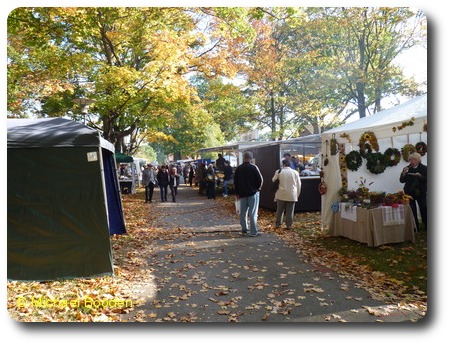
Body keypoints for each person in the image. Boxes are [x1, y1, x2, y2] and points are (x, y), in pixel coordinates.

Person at [234, 151, 263, 237]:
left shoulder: (238, 168)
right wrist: (258, 189)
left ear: (243, 158)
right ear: (251, 158)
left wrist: (237, 193)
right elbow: (260, 180)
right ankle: (253, 232)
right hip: (253, 193)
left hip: (242, 194)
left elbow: (236, 182)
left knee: (243, 213)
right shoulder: (254, 167)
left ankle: (244, 229)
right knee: (253, 213)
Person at [399, 152, 427, 231]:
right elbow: (401, 180)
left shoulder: (424, 168)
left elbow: (426, 179)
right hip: (409, 193)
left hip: (421, 192)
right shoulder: (407, 168)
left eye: (414, 159)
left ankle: (427, 225)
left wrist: (420, 176)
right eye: (410, 160)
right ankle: (415, 227)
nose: (412, 161)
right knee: (412, 209)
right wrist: (404, 173)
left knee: (423, 208)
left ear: (418, 160)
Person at [272, 159, 302, 229]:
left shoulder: (279, 171)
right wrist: (297, 194)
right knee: (290, 211)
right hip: (292, 194)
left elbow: (273, 180)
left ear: (283, 164)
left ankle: (278, 224)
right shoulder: (295, 172)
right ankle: (289, 225)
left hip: (281, 194)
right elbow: (299, 184)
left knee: (280, 210)